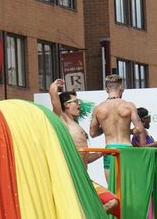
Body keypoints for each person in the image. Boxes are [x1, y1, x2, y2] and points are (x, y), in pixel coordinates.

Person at [49, 78, 118, 214]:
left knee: (112, 202)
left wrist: (102, 153)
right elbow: (54, 99)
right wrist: (55, 86)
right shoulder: (62, 120)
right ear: (66, 105)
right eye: (76, 102)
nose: (79, 105)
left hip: (83, 177)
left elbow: (85, 157)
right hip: (71, 177)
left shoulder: (75, 125)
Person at [89, 74, 147, 180]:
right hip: (127, 149)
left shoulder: (99, 109)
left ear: (106, 89)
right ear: (121, 88)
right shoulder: (128, 106)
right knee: (129, 188)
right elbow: (139, 129)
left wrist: (106, 129)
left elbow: (93, 133)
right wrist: (127, 131)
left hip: (110, 150)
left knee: (113, 190)